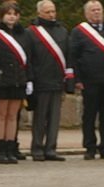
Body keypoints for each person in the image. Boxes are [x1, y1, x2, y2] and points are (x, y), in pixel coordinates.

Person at [0, 1, 31, 164]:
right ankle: (1, 149)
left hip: (18, 79)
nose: (11, 16)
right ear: (2, 16)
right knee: (1, 115)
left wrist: (29, 79)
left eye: (14, 14)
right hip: (1, 80)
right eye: (8, 13)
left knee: (13, 116)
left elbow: (28, 59)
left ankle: (11, 148)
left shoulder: (23, 35)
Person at [25, 0, 70, 162]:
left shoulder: (62, 31)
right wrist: (30, 79)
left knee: (54, 118)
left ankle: (51, 148)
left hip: (57, 80)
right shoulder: (31, 32)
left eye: (53, 11)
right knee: (40, 118)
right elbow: (28, 58)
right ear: (39, 13)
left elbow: (68, 56)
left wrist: (68, 80)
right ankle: (37, 148)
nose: (52, 15)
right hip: (40, 81)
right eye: (48, 12)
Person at [70, 0, 104, 159]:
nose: (97, 13)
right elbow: (73, 57)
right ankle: (90, 147)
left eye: (99, 10)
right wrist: (77, 79)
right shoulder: (79, 32)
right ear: (86, 13)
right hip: (89, 80)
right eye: (93, 10)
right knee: (89, 116)